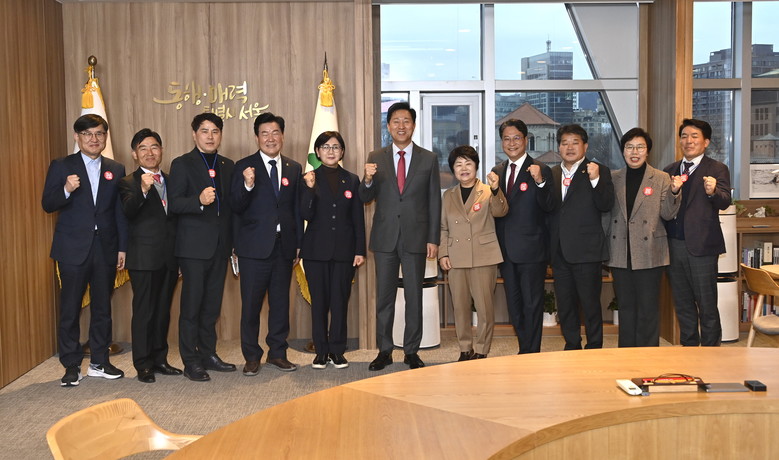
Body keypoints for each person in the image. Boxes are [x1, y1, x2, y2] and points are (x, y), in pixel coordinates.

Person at [41, 114, 128, 386]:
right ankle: (71, 365)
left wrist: (122, 247)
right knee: (70, 308)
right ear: (77, 137)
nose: (94, 139)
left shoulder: (116, 168)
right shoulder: (62, 165)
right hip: (72, 249)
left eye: (99, 133)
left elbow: (119, 213)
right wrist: (66, 189)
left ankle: (100, 362)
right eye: (88, 134)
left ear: (105, 137)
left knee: (103, 308)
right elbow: (47, 203)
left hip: (105, 248)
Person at [359, 102, 441, 370]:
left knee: (413, 296)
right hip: (385, 237)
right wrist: (367, 179)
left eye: (406, 121)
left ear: (413, 125)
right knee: (384, 297)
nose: (401, 126)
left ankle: (411, 351)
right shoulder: (376, 156)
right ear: (388, 126)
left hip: (416, 237)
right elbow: (365, 197)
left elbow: (434, 201)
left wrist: (433, 238)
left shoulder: (428, 158)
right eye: (396, 121)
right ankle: (384, 350)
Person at [231, 113, 303, 375]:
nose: (270, 138)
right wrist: (248, 185)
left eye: (275, 133)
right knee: (251, 305)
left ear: (282, 136)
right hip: (253, 249)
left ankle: (278, 353)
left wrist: (298, 244)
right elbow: (235, 206)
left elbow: (296, 209)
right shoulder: (243, 166)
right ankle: (252, 356)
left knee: (280, 305)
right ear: (256, 137)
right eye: (265, 133)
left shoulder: (294, 168)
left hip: (284, 248)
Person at [168, 113, 235, 381]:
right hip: (193, 249)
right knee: (192, 306)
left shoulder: (228, 165)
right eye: (204, 131)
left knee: (211, 306)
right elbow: (174, 204)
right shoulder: (182, 163)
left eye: (215, 131)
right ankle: (191, 360)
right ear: (194, 134)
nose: (210, 136)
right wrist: (198, 200)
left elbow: (231, 209)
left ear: (221, 135)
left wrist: (232, 244)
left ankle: (208, 354)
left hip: (220, 247)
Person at [607, 128, 682, 347]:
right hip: (620, 252)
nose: (634, 152)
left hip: (650, 252)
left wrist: (675, 192)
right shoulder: (613, 178)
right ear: (623, 151)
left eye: (640, 147)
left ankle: (649, 356)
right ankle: (626, 353)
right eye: (629, 147)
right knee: (626, 307)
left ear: (648, 151)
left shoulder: (661, 178)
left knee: (648, 309)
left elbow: (667, 214)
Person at [119, 129, 182, 383]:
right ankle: (143, 364)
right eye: (143, 148)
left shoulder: (172, 180)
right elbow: (128, 212)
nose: (149, 152)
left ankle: (160, 359)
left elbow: (177, 220)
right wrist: (143, 191)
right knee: (144, 312)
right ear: (135, 154)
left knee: (163, 311)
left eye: (154, 147)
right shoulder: (127, 182)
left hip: (169, 257)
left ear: (161, 150)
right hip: (143, 258)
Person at [300, 131, 366, 369]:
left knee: (340, 302)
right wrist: (309, 189)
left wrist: (360, 249)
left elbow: (357, 218)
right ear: (317, 152)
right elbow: (304, 214)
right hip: (315, 252)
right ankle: (321, 352)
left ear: (342, 152)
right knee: (319, 303)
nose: (331, 151)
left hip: (344, 252)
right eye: (326, 147)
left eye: (336, 147)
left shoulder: (352, 179)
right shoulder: (308, 178)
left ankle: (337, 351)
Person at [663, 118, 731, 346]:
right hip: (674, 246)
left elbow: (725, 202)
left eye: (694, 136)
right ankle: (689, 349)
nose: (688, 141)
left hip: (702, 247)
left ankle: (711, 352)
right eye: (684, 136)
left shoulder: (717, 169)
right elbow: (664, 207)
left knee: (707, 304)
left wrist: (713, 192)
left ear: (706, 142)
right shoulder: (670, 170)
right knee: (682, 304)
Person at [549, 124, 614, 350]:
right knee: (565, 304)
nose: (569, 147)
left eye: (575, 142)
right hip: (560, 251)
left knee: (590, 304)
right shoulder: (552, 173)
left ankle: (594, 346)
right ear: (558, 147)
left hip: (587, 251)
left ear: (585, 146)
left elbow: (606, 204)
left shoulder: (598, 170)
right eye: (564, 143)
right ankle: (572, 345)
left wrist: (595, 181)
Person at [492, 119, 554, 354]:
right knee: (514, 306)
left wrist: (540, 182)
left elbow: (549, 206)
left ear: (526, 140)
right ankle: (523, 348)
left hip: (532, 250)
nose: (512, 143)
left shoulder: (540, 169)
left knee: (532, 304)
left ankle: (531, 352)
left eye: (516, 138)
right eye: (506, 139)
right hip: (506, 251)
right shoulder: (497, 171)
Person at [439, 146, 507, 361]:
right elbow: (443, 227)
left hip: (483, 256)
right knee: (460, 307)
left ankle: (481, 349)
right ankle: (464, 348)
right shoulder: (448, 195)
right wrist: (443, 254)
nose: (464, 168)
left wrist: (496, 189)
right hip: (456, 257)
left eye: (468, 163)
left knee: (484, 307)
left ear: (476, 166)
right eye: (458, 164)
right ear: (453, 169)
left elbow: (500, 211)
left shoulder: (488, 191)